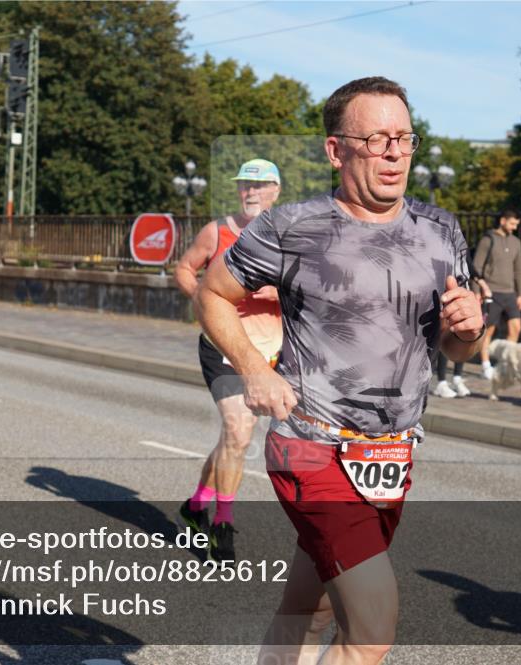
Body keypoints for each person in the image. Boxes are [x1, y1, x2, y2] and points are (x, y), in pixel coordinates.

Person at [196, 77, 484, 663]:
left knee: (312, 610)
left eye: (404, 138)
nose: (394, 154)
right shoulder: (291, 227)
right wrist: (253, 368)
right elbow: (211, 293)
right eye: (376, 139)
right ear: (336, 150)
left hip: (392, 455)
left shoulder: (441, 230)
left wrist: (470, 328)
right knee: (372, 625)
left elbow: (456, 351)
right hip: (311, 446)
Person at [175, 158, 283, 562]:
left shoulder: (287, 236)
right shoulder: (217, 231)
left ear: (275, 191)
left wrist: (280, 293)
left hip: (269, 349)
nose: (250, 192)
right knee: (238, 432)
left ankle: (196, 505)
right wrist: (204, 301)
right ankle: (223, 524)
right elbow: (185, 269)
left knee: (232, 438)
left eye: (259, 185)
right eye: (244, 185)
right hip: (222, 346)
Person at [474, 208, 521, 380]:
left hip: (510, 293)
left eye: (516, 225)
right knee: (488, 331)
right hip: (491, 292)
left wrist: (520, 294)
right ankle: (485, 365)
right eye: (512, 224)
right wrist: (477, 291)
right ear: (502, 221)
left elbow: (518, 270)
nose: (514, 227)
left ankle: (505, 364)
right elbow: (476, 267)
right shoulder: (487, 240)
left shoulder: (516, 242)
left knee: (516, 328)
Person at [432, 259, 492, 398]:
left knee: (463, 332)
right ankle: (441, 382)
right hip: (442, 291)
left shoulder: (457, 246)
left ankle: (457, 377)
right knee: (444, 332)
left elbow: (468, 263)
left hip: (461, 289)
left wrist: (480, 283)